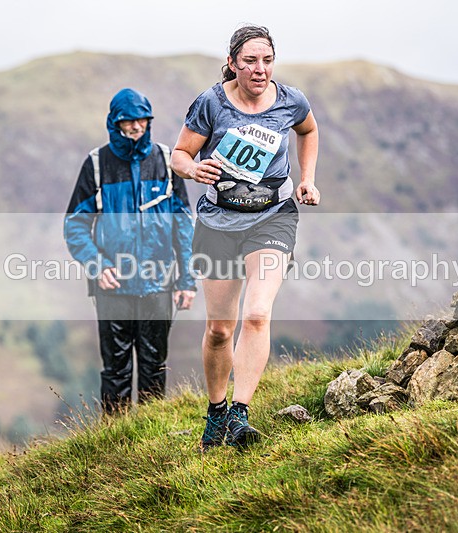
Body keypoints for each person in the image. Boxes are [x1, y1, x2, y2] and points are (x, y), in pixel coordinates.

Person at [171, 25, 320, 449]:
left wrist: (306, 179)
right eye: (250, 61)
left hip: (272, 217)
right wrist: (193, 169)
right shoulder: (211, 103)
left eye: (267, 61)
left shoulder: (290, 100)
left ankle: (240, 413)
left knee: (256, 313)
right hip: (218, 221)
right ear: (233, 63)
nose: (260, 69)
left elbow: (308, 130)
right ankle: (217, 412)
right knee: (220, 329)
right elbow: (179, 154)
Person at [64, 88, 197, 414]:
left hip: (158, 284)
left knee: (155, 366)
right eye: (128, 121)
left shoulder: (166, 161)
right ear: (115, 122)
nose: (136, 126)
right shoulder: (97, 165)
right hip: (113, 287)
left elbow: (183, 226)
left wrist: (186, 280)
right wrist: (96, 264)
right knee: (115, 370)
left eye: (142, 119)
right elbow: (75, 225)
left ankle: (150, 435)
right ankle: (116, 435)